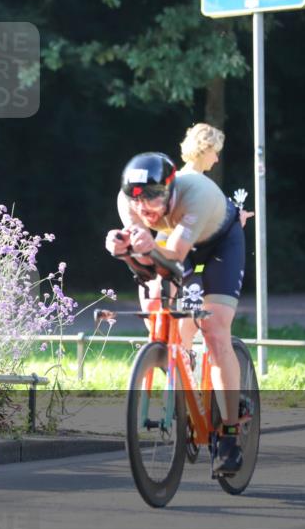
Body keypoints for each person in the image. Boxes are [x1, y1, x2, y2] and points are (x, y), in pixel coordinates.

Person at [105, 152, 245, 475]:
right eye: (137, 200)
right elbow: (147, 267)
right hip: (175, 239)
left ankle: (230, 433)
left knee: (215, 330)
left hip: (219, 245)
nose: (144, 208)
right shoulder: (127, 202)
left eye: (153, 198)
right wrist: (125, 252)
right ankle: (184, 373)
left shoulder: (195, 193)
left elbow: (175, 257)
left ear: (170, 189)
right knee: (155, 307)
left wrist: (146, 248)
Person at [179, 123, 254, 227]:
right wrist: (235, 224)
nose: (216, 159)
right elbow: (200, 230)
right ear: (205, 149)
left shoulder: (178, 178)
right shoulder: (197, 184)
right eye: (216, 153)